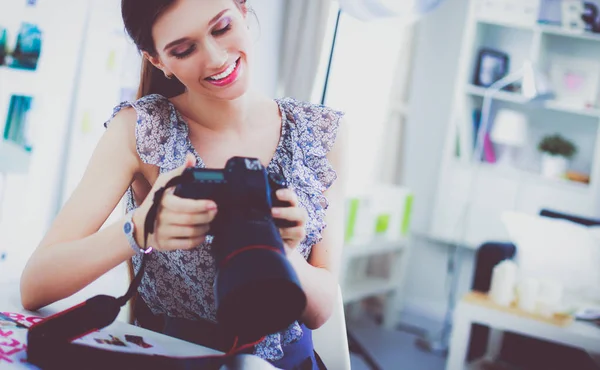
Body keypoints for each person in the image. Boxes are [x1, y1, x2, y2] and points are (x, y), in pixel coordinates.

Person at [20, 0, 345, 368]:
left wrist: (279, 249)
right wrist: (141, 229)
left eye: (221, 28)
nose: (216, 58)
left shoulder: (319, 133)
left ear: (242, 9)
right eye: (184, 49)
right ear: (157, 59)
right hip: (176, 358)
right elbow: (35, 285)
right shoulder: (142, 130)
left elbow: (320, 313)